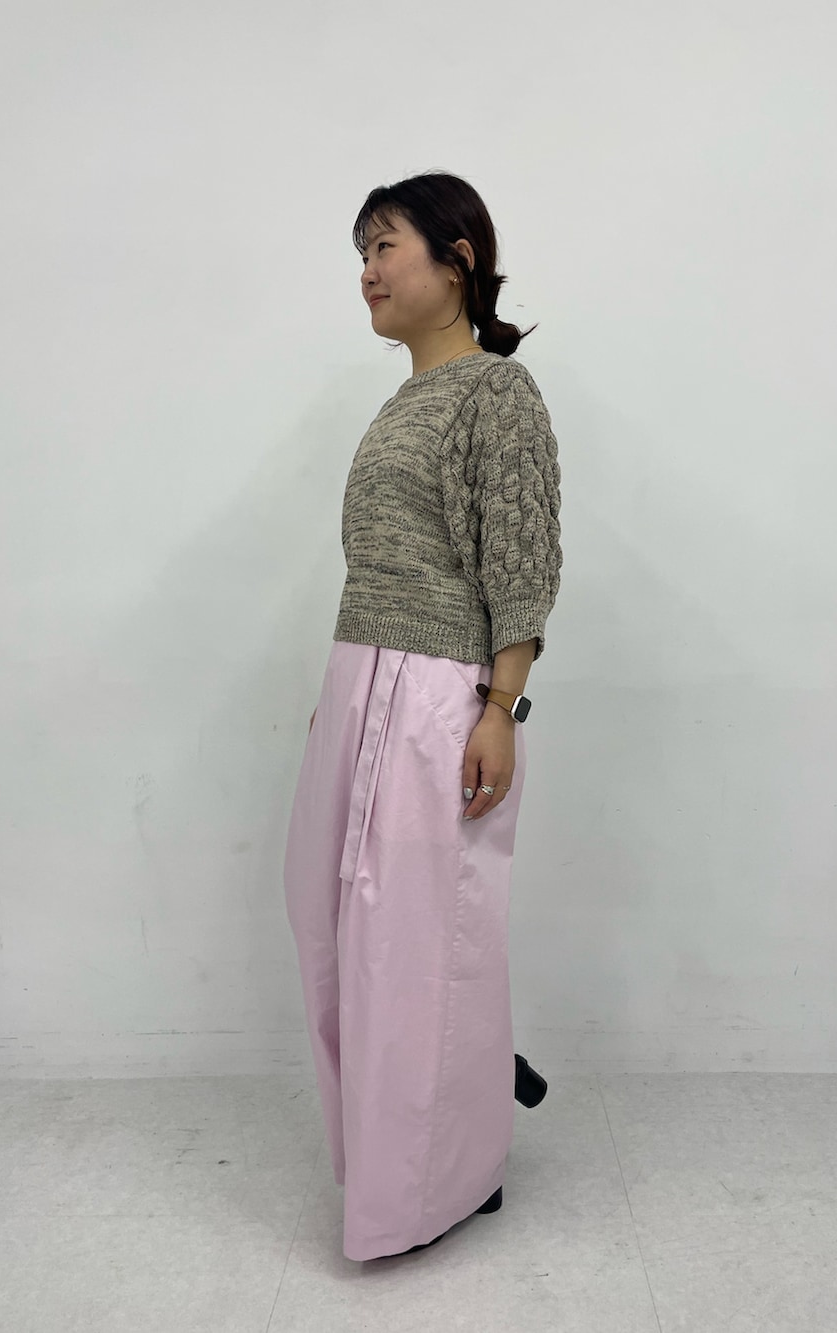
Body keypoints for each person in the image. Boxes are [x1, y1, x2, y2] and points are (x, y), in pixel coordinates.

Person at [283, 171, 562, 1262]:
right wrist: (340, 705)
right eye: (360, 252)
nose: (366, 270)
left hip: (438, 691)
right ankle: (455, 1094)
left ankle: (447, 1171)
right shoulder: (401, 402)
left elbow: (520, 563)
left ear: (456, 258)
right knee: (333, 924)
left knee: (412, 938)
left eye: (384, 245)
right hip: (363, 684)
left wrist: (501, 707)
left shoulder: (496, 391)